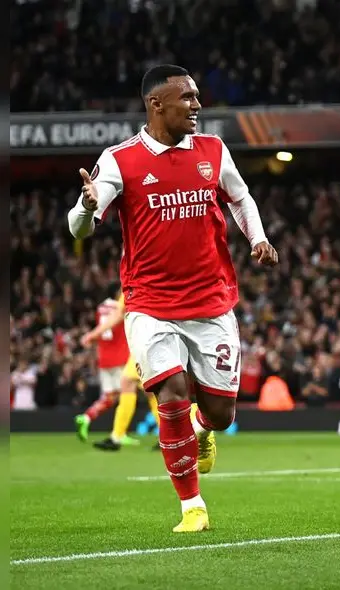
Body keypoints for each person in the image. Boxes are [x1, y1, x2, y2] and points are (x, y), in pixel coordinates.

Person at [67, 64, 278, 532]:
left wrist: (257, 238)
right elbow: (78, 226)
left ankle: (204, 432)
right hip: (150, 304)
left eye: (198, 96)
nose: (197, 105)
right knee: (172, 394)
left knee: (221, 414)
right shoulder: (120, 160)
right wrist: (84, 206)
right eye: (187, 97)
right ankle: (192, 507)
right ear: (156, 104)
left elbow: (241, 199)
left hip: (211, 302)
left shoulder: (213, 150)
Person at [78, 288, 160, 451]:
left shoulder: (134, 284)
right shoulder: (147, 281)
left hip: (145, 341)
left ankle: (117, 437)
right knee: (147, 388)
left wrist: (92, 334)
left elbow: (117, 315)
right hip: (151, 340)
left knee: (132, 382)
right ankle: (168, 435)